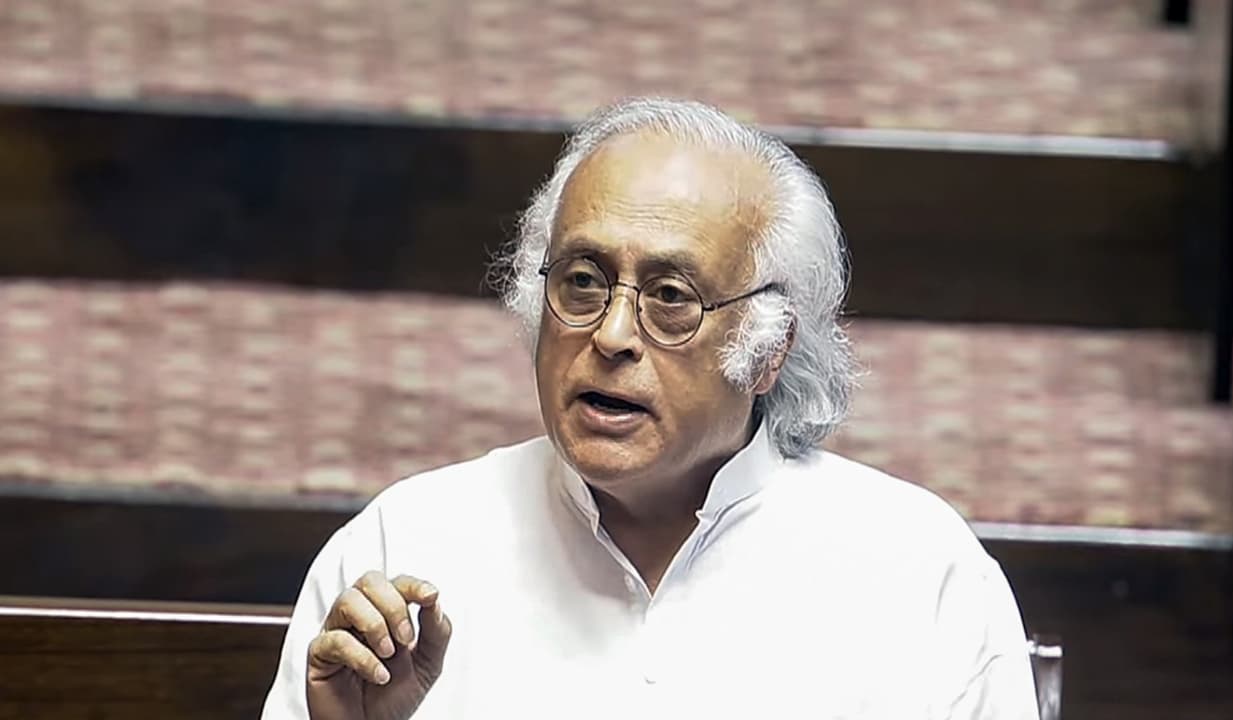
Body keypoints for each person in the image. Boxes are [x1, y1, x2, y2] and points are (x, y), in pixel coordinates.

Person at [261, 98, 1039, 719]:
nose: (611, 335)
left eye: (671, 297)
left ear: (770, 348)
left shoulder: (918, 572)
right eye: (582, 282)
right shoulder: (406, 549)